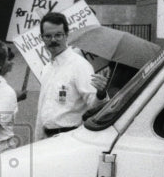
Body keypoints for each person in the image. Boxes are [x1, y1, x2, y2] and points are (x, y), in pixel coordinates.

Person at [34, 11, 109, 140]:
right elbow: (42, 109)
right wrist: (36, 141)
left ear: (66, 35)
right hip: (46, 140)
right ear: (42, 38)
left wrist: (100, 94)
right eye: (48, 36)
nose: (53, 40)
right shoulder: (47, 69)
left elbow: (93, 105)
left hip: (69, 138)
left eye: (58, 35)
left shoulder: (80, 66)